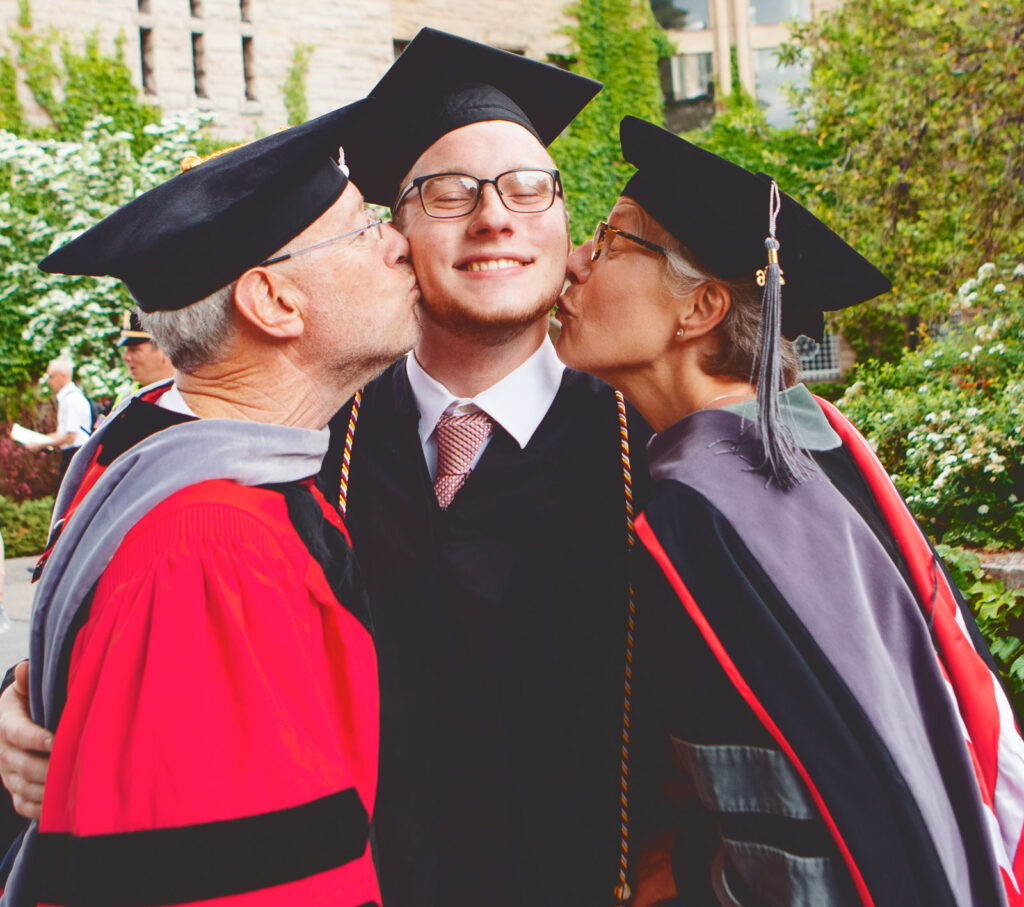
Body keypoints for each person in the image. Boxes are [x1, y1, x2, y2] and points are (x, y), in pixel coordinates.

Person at [556, 115, 1024, 906]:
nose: (573, 261)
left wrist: (693, 882)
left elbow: (797, 821)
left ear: (699, 307)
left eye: (609, 243)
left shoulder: (708, 514)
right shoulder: (811, 449)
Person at [0, 100, 419, 906]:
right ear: (274, 303)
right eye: (364, 227)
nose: (399, 243)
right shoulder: (214, 547)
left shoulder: (181, 476)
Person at [318, 29, 651, 906]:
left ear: (568, 228)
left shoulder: (656, 448)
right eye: (449, 193)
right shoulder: (314, 444)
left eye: (528, 189)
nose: (494, 216)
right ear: (396, 236)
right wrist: (31, 695)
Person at [23, 359, 92, 492]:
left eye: (51, 376)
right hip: (73, 455)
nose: (48, 381)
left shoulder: (72, 399)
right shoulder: (68, 397)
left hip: (75, 455)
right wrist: (38, 439)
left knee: (66, 500)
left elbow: (70, 437)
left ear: (64, 376)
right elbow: (63, 433)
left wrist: (40, 445)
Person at [117, 310, 175, 390]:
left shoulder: (189, 396)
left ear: (165, 350)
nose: (125, 357)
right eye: (126, 350)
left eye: (133, 350)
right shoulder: (125, 398)